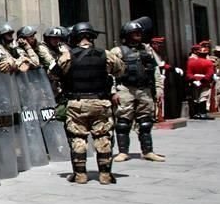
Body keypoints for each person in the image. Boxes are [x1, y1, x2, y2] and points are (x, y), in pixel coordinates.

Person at [57, 22, 124, 184]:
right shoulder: (105, 54)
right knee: (103, 137)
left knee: (77, 137)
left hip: (76, 103)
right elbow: (121, 70)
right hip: (100, 102)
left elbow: (56, 74)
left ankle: (80, 175)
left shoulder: (68, 56)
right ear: (92, 37)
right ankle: (105, 175)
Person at [110, 20, 165, 162]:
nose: (138, 35)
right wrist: (113, 91)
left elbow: (155, 71)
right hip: (125, 89)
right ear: (127, 35)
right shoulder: (117, 51)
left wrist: (159, 89)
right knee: (123, 122)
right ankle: (123, 152)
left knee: (146, 122)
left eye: (139, 33)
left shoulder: (147, 50)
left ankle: (148, 151)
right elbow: (109, 72)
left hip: (144, 89)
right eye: (135, 33)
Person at [186, 44, 215, 120]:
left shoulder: (191, 62)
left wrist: (194, 80)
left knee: (196, 98)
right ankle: (202, 113)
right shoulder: (208, 63)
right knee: (203, 97)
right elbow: (209, 74)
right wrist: (202, 80)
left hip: (194, 82)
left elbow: (188, 73)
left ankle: (196, 113)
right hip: (204, 82)